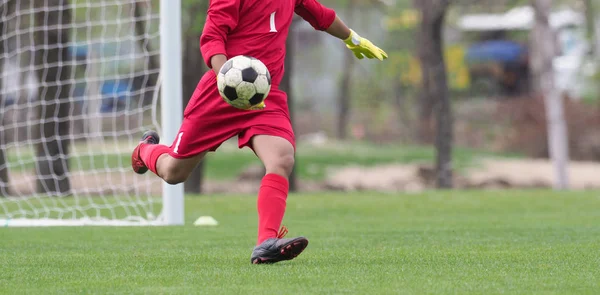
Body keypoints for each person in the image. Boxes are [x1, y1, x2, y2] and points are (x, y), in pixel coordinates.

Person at [131, 0, 387, 264]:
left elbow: (319, 15)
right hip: (221, 92)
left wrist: (352, 38)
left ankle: (266, 243)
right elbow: (212, 37)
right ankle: (144, 151)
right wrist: (227, 79)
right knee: (174, 172)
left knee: (282, 158)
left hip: (265, 95)